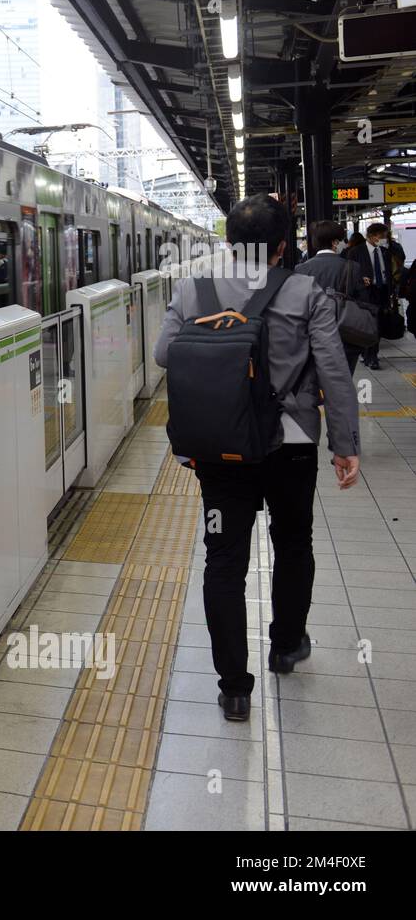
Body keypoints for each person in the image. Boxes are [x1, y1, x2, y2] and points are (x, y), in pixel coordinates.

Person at [155, 195, 361, 723]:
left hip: (221, 450)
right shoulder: (305, 290)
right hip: (290, 446)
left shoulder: (193, 288)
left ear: (227, 242)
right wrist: (344, 446)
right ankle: (286, 646)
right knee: (293, 542)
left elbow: (163, 355)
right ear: (283, 248)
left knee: (224, 560)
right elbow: (334, 373)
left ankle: (233, 688)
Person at [295, 220, 367, 373]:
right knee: (344, 381)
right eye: (341, 240)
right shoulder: (352, 267)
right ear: (335, 242)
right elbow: (363, 302)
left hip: (314, 337)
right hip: (345, 336)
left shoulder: (301, 269)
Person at [345, 223, 394, 369]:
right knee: (369, 324)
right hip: (365, 293)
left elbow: (389, 272)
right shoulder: (355, 252)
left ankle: (371, 354)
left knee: (379, 324)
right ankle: (370, 356)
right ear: (372, 236)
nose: (385, 239)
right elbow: (350, 272)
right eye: (382, 236)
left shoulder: (385, 251)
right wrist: (361, 279)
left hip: (382, 291)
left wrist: (391, 291)